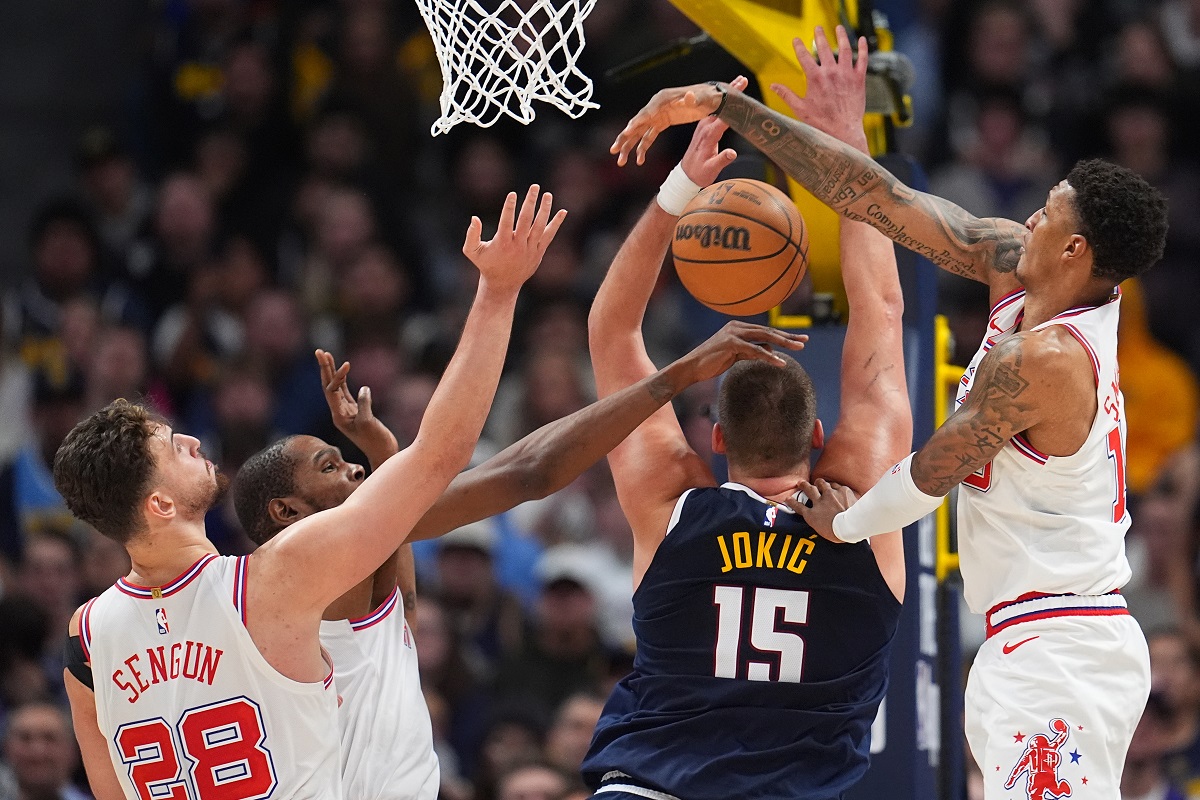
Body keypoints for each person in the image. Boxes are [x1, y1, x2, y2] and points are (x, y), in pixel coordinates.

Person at [609, 24, 1168, 800]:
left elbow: (934, 470)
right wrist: (728, 108)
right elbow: (879, 197)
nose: (1030, 218)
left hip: (1061, 644)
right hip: (1031, 636)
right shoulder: (1014, 266)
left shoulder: (1049, 361)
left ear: (1075, 253)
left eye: (1048, 214)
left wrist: (842, 524)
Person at [52, 186, 566, 799]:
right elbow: (440, 454)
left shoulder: (86, 634)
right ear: (159, 504)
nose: (190, 439)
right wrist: (499, 292)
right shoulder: (274, 578)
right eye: (171, 447)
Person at [233, 322, 804, 800]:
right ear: (285, 511)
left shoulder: (343, 579)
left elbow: (400, 600)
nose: (354, 471)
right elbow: (527, 470)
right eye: (330, 468)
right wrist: (674, 377)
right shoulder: (302, 577)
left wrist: (383, 451)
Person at [583, 47, 911, 800]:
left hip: (647, 786)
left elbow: (611, 329)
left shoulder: (669, 503)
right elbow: (882, 314)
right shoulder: (862, 501)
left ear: (716, 437)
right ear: (819, 438)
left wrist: (680, 188)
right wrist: (845, 143)